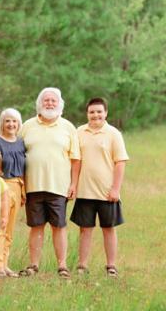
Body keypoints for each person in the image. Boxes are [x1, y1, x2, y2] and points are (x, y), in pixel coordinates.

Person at [18, 87, 80, 278]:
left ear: (60, 104)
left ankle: (62, 266)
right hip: (33, 185)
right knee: (36, 226)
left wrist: (73, 185)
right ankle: (33, 265)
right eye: (46, 100)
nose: (49, 103)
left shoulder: (68, 127)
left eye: (53, 100)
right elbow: (17, 154)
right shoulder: (27, 126)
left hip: (59, 186)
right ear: (39, 103)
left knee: (58, 226)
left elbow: (76, 158)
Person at [70, 97, 129, 277]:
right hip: (85, 191)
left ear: (105, 113)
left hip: (107, 192)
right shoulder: (79, 132)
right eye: (92, 112)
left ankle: (111, 265)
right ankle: (82, 265)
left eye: (99, 111)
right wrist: (73, 184)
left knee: (108, 228)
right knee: (85, 229)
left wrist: (115, 189)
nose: (95, 115)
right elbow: (76, 161)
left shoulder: (113, 133)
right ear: (87, 113)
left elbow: (120, 162)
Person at [0, 108, 26, 276]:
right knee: (0, 227)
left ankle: (5, 263)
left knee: (10, 229)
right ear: (2, 123)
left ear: (19, 124)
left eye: (14, 121)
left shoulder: (21, 143)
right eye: (7, 121)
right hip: (1, 186)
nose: (11, 124)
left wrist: (24, 191)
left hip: (18, 186)